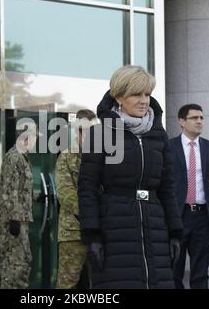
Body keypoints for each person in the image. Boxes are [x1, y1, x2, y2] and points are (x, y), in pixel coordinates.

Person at [78, 65, 183, 289]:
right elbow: (87, 187)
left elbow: (168, 187)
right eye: (137, 94)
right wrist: (92, 235)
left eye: (147, 94)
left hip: (156, 228)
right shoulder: (100, 133)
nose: (144, 100)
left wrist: (175, 231)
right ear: (119, 97)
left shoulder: (158, 135)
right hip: (115, 229)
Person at [170, 104, 209, 289]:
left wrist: (202, 199)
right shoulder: (169, 147)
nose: (199, 121)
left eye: (201, 117)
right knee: (174, 271)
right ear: (181, 121)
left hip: (202, 216)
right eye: (194, 118)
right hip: (178, 216)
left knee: (200, 274)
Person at [55, 109, 97, 289]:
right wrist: (89, 215)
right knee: (68, 282)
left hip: (99, 232)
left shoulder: (103, 156)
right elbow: (65, 193)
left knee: (101, 282)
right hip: (73, 231)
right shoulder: (66, 156)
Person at [0, 122, 39, 289]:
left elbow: (21, 189)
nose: (36, 141)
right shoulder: (14, 158)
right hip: (13, 221)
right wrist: (14, 218)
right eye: (35, 137)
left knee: (23, 261)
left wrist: (38, 196)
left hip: (20, 219)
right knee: (13, 265)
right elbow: (9, 190)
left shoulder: (22, 157)